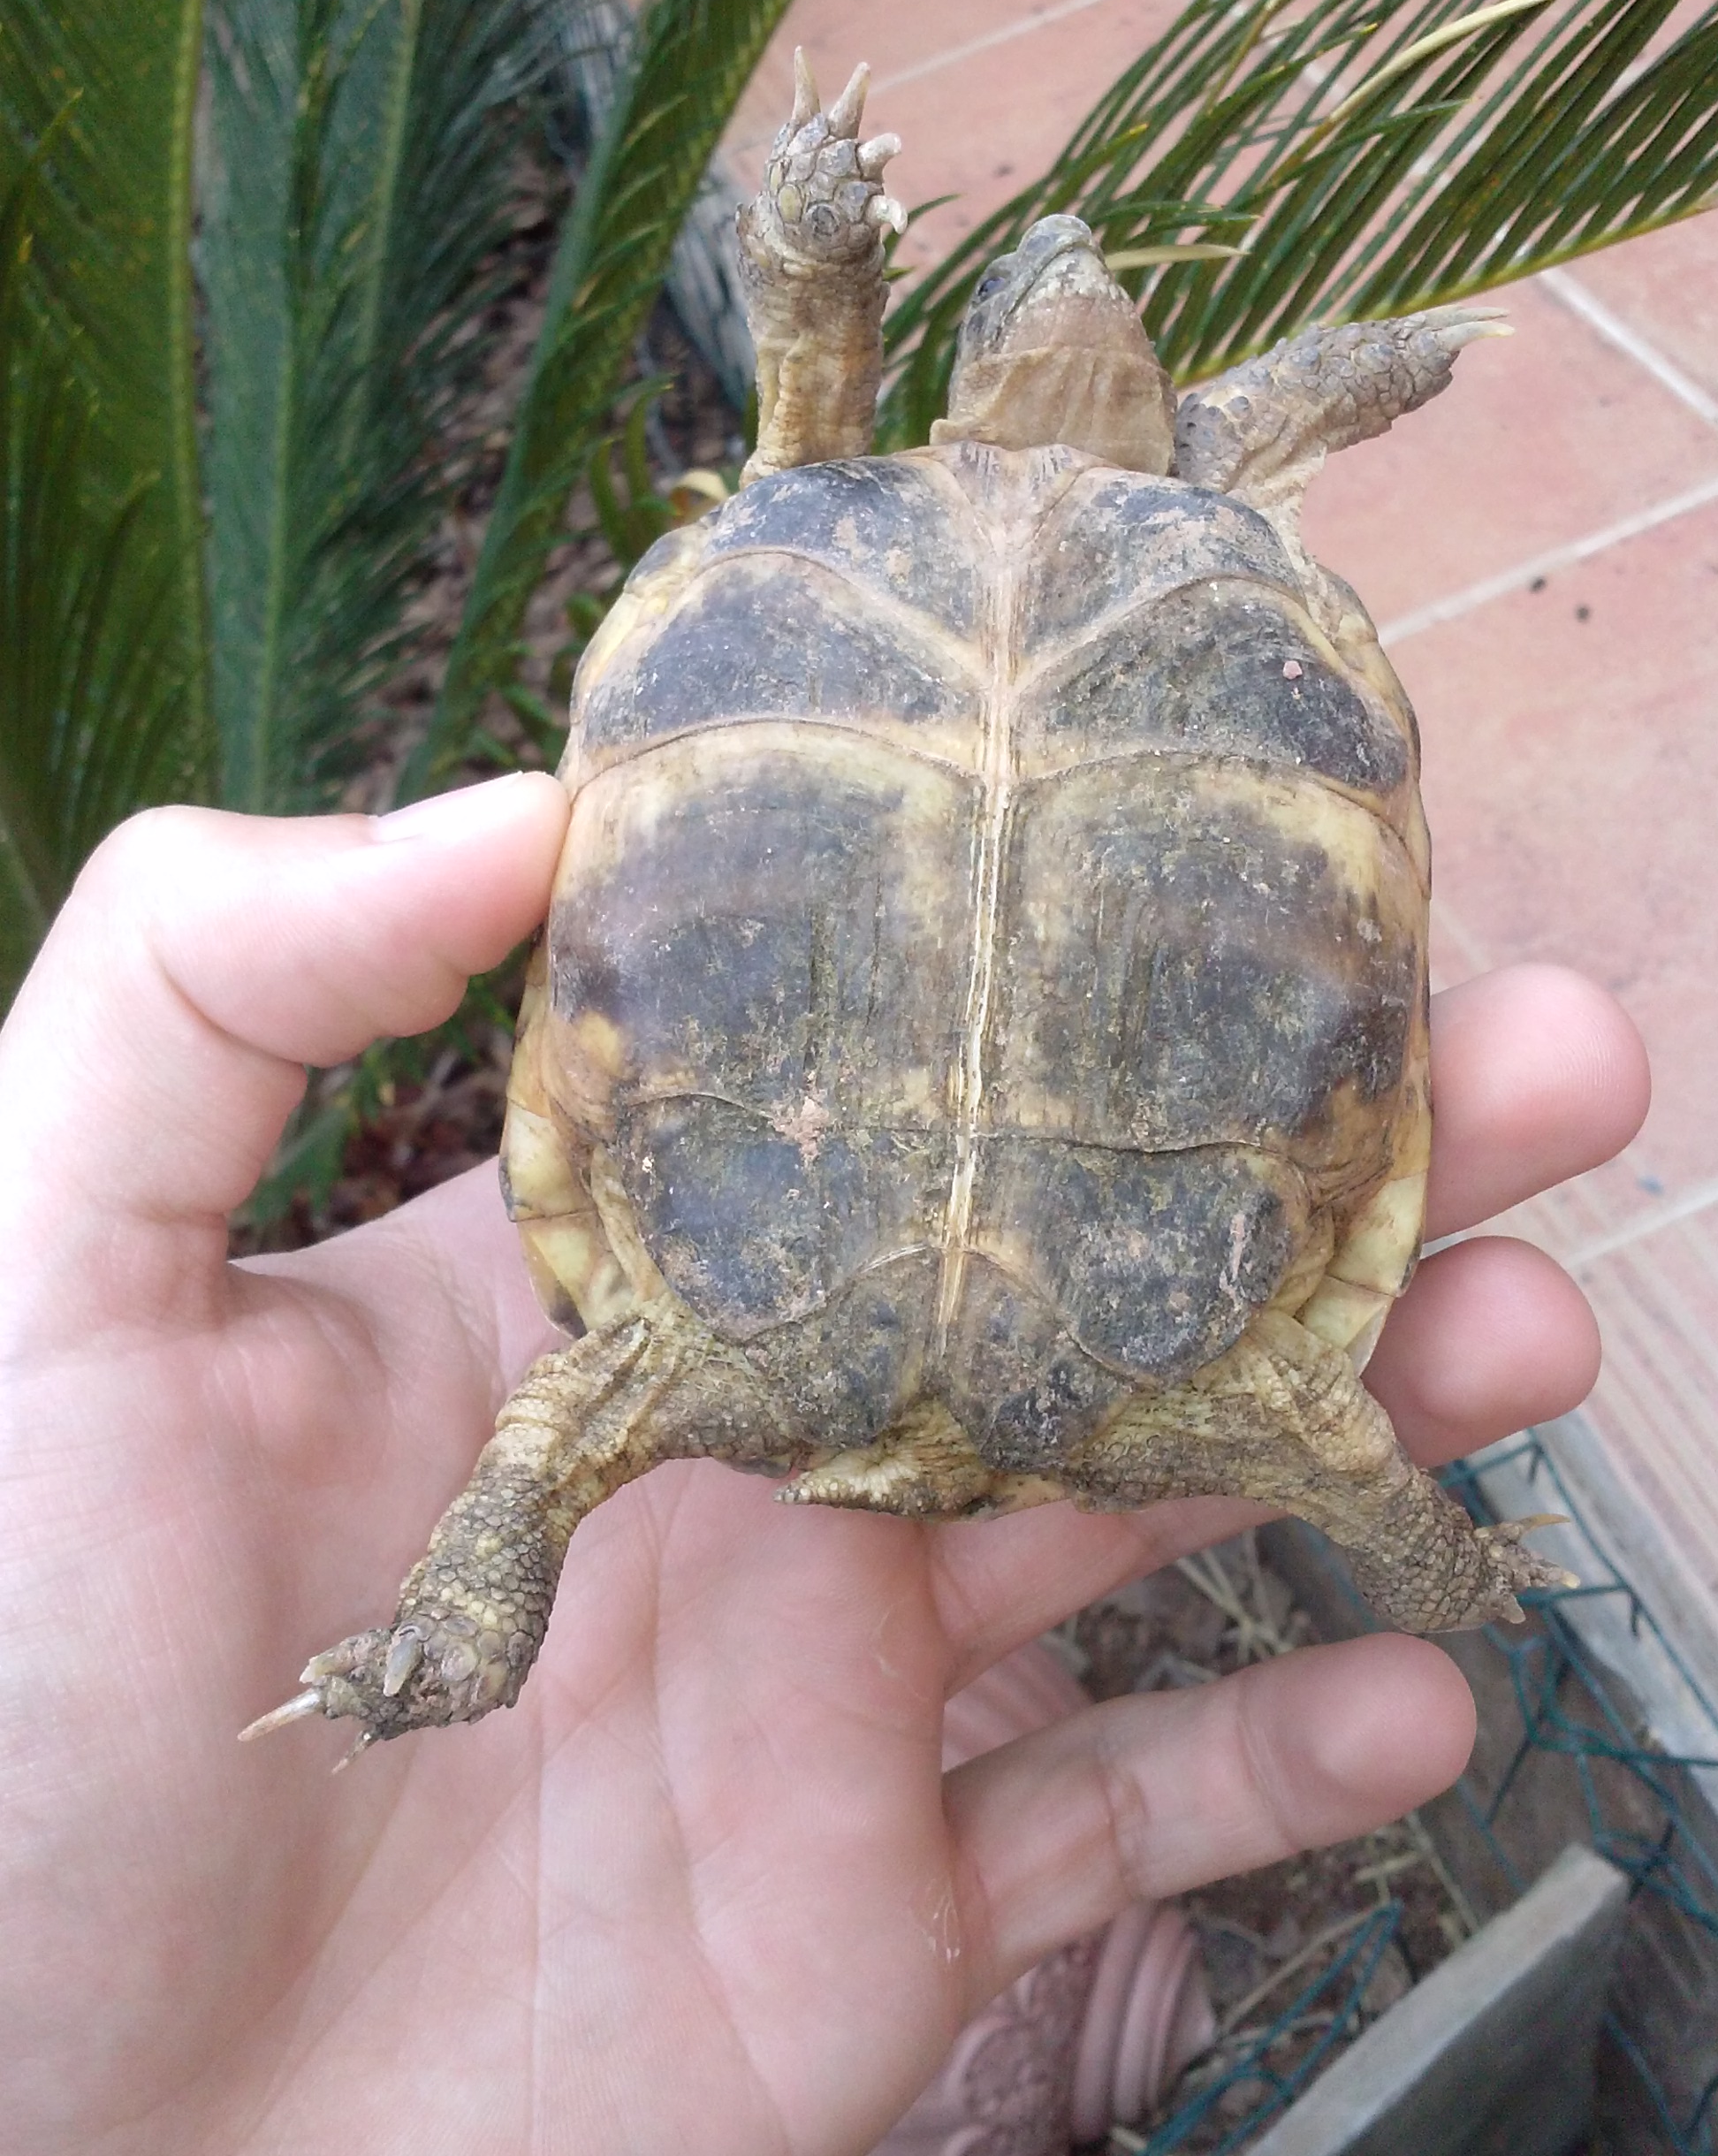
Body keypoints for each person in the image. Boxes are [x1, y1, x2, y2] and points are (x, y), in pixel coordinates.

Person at [0, 773, 1649, 2155]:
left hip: (766, 1300)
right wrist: (1432, 1558)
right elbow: (1337, 1440)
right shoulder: (1226, 1390)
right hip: (1150, 1338)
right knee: (1329, 1431)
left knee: (573, 1434)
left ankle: (446, 1648)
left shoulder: (691, 1351)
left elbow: (558, 1425)